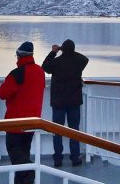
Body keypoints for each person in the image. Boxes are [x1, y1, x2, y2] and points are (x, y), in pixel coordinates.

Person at [0, 41, 45, 184]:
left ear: (19, 56)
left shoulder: (17, 74)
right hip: (32, 123)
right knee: (24, 153)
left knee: (17, 157)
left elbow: (2, 93)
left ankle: (30, 170)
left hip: (15, 124)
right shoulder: (40, 72)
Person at [42, 39, 88, 167]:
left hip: (58, 102)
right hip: (74, 102)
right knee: (75, 130)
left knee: (57, 131)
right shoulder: (79, 61)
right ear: (73, 49)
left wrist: (54, 52)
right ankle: (75, 158)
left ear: (63, 49)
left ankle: (58, 159)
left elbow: (44, 66)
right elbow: (85, 59)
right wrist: (67, 50)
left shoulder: (56, 62)